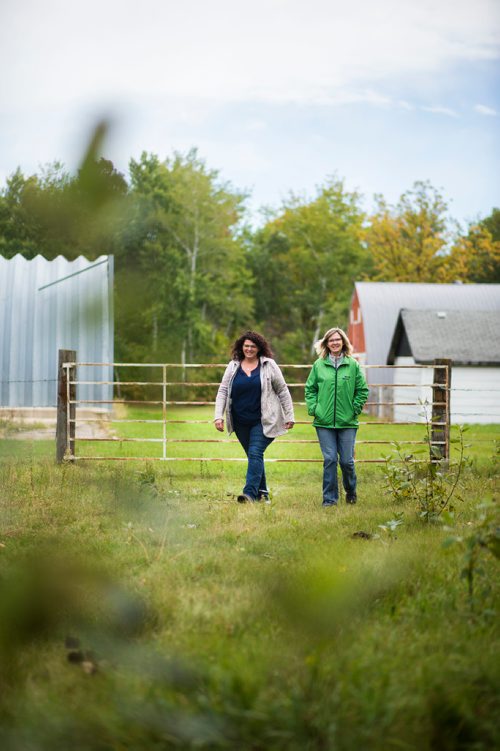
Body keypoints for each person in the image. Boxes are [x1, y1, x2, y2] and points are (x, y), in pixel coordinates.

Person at [214, 331, 295, 503]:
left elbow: (282, 390)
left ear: (259, 348)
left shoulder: (268, 365)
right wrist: (218, 416)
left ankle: (249, 494)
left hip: (264, 420)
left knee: (255, 452)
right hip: (240, 421)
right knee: (254, 457)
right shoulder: (233, 366)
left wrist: (289, 415)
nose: (249, 349)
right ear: (241, 347)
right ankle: (263, 494)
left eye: (253, 346)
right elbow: (222, 390)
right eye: (246, 346)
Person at [305, 327, 369, 507]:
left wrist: (354, 409)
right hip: (323, 422)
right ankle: (330, 500)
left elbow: (362, 390)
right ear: (326, 343)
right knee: (330, 459)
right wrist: (314, 408)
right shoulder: (319, 365)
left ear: (343, 342)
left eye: (338, 340)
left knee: (347, 461)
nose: (335, 343)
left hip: (347, 422)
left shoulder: (353, 364)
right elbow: (310, 389)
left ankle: (351, 491)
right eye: (331, 340)